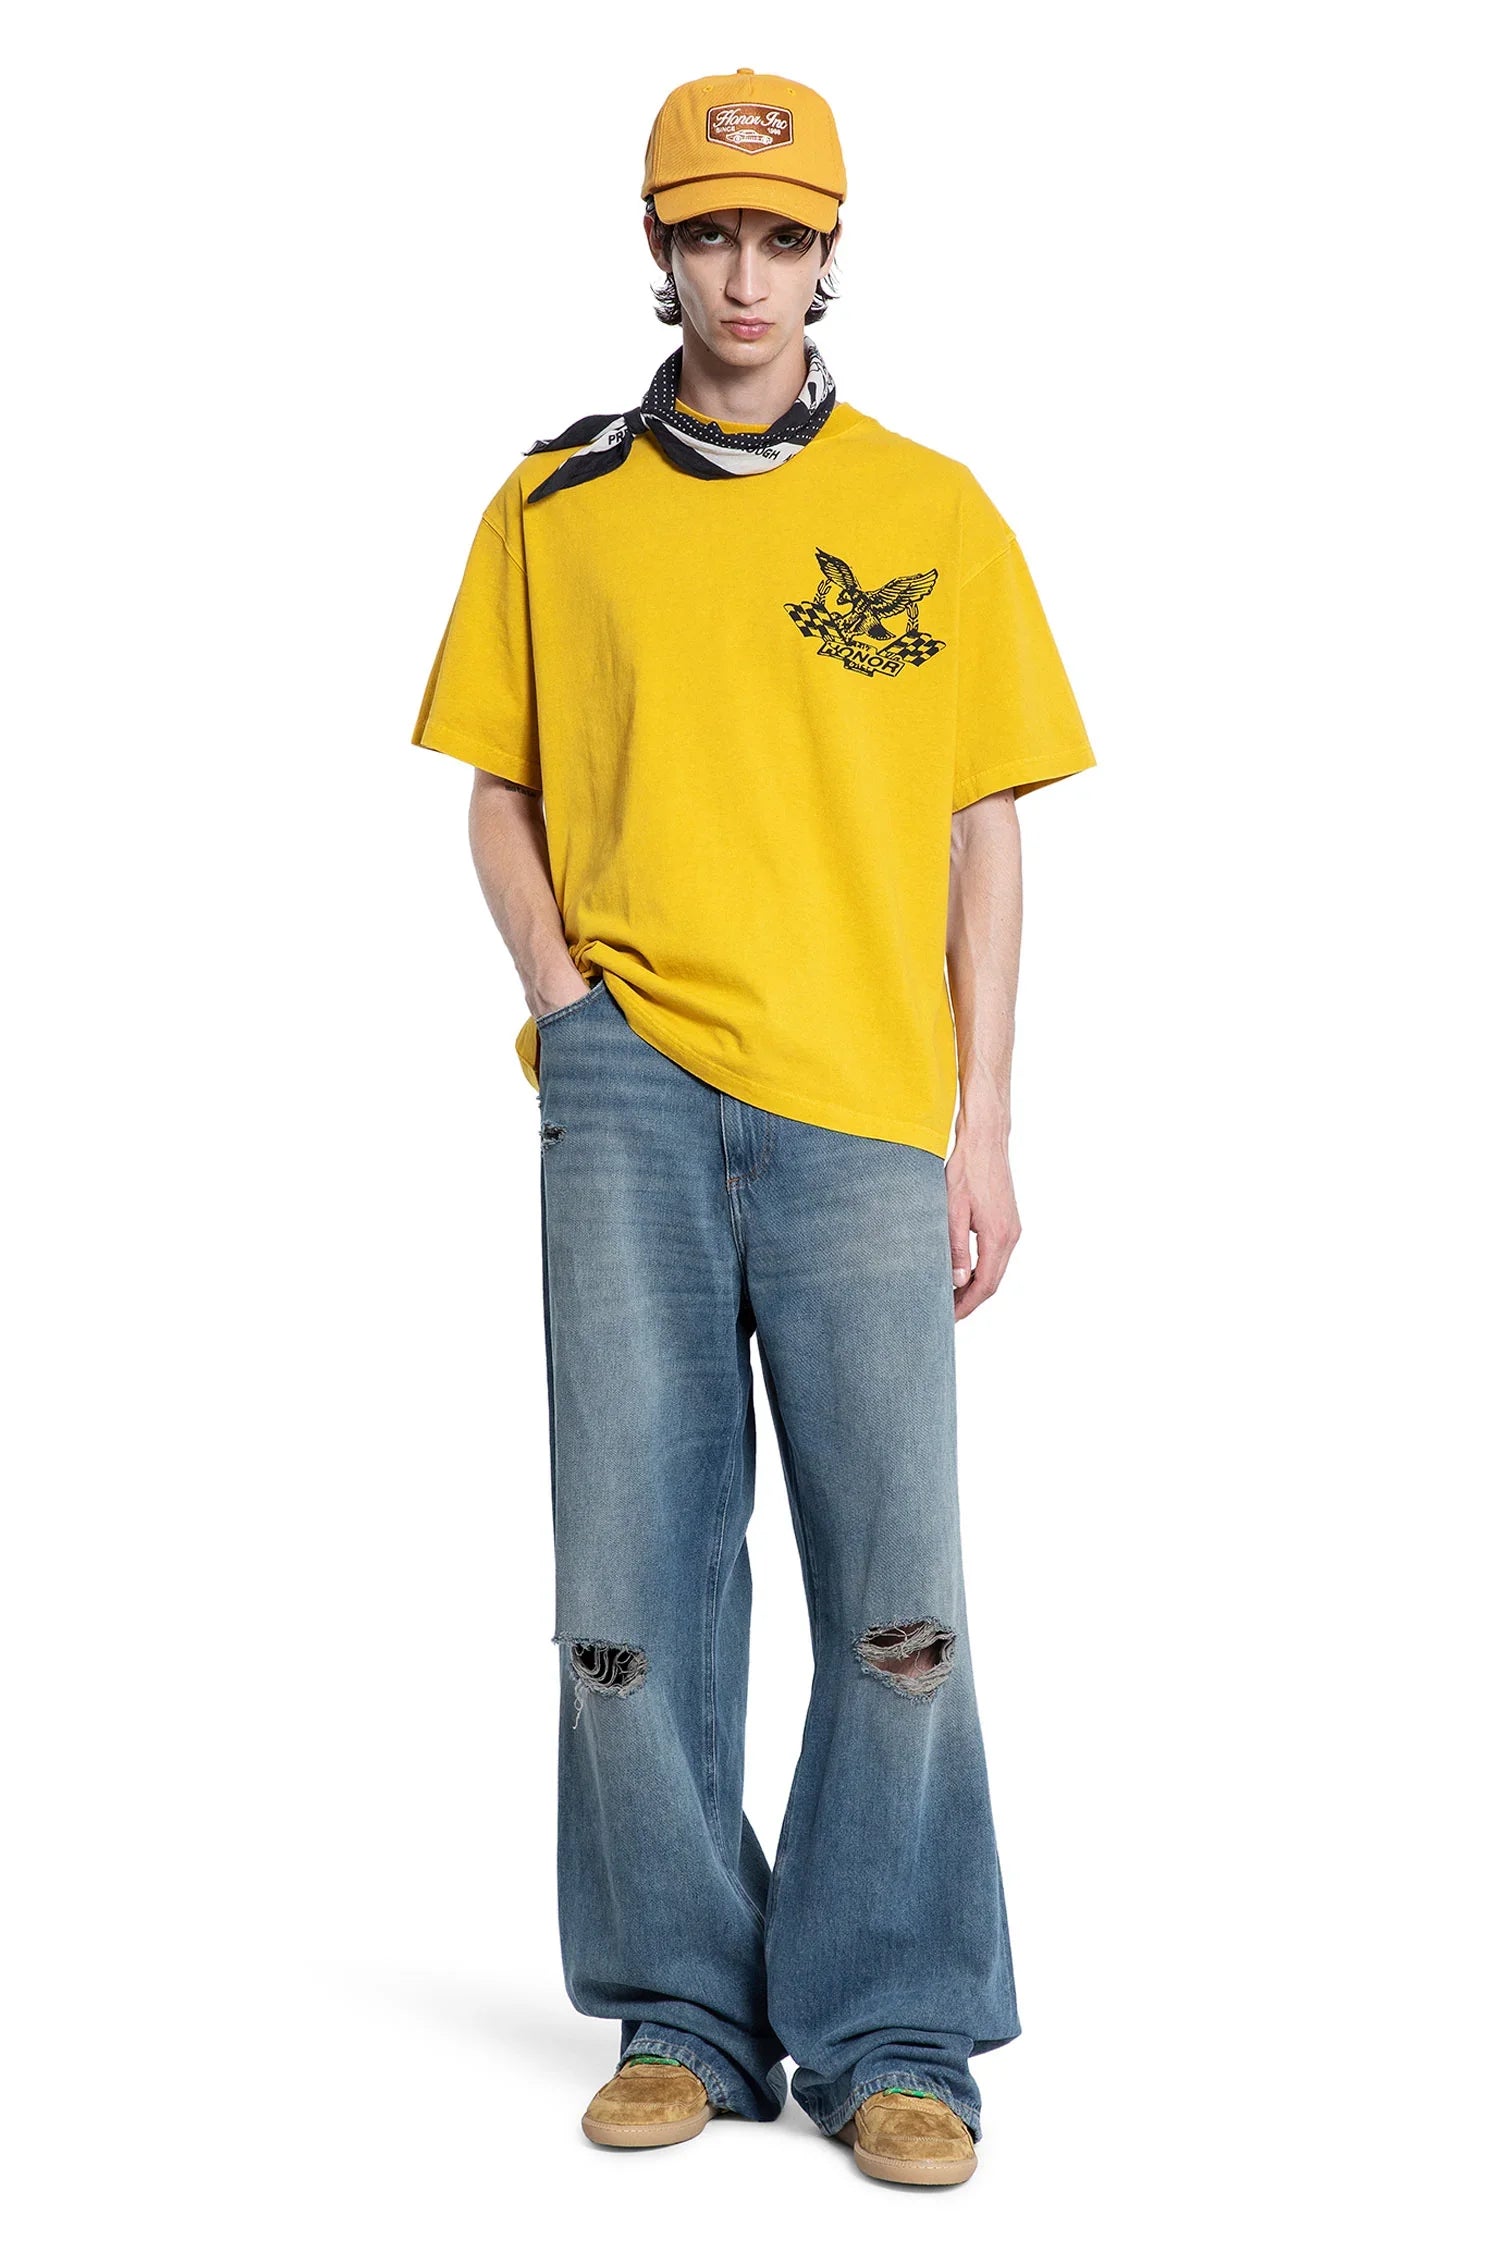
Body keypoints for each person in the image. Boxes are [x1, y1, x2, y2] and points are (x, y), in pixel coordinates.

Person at [411, 67, 1095, 2188]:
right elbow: (498, 792)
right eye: (708, 232)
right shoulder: (556, 509)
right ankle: (684, 2012)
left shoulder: (933, 510)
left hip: (866, 1103)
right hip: (627, 1091)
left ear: (827, 255)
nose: (743, 274)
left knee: (899, 1586)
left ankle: (895, 2027)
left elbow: (985, 829)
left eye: (781, 238)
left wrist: (984, 1121)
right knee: (628, 1582)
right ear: (658, 246)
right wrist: (569, 1009)